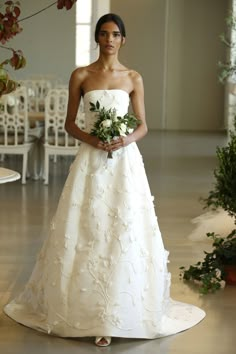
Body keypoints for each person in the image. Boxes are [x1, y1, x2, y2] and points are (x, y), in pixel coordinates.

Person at [4, 13, 205, 347]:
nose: (109, 39)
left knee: (124, 228)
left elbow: (142, 125)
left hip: (125, 162)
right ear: (96, 39)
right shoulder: (81, 75)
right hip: (91, 159)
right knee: (87, 226)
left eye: (115, 34)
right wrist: (93, 139)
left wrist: (123, 140)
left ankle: (120, 308)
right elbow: (69, 122)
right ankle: (85, 310)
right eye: (103, 34)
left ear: (123, 40)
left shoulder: (133, 77)